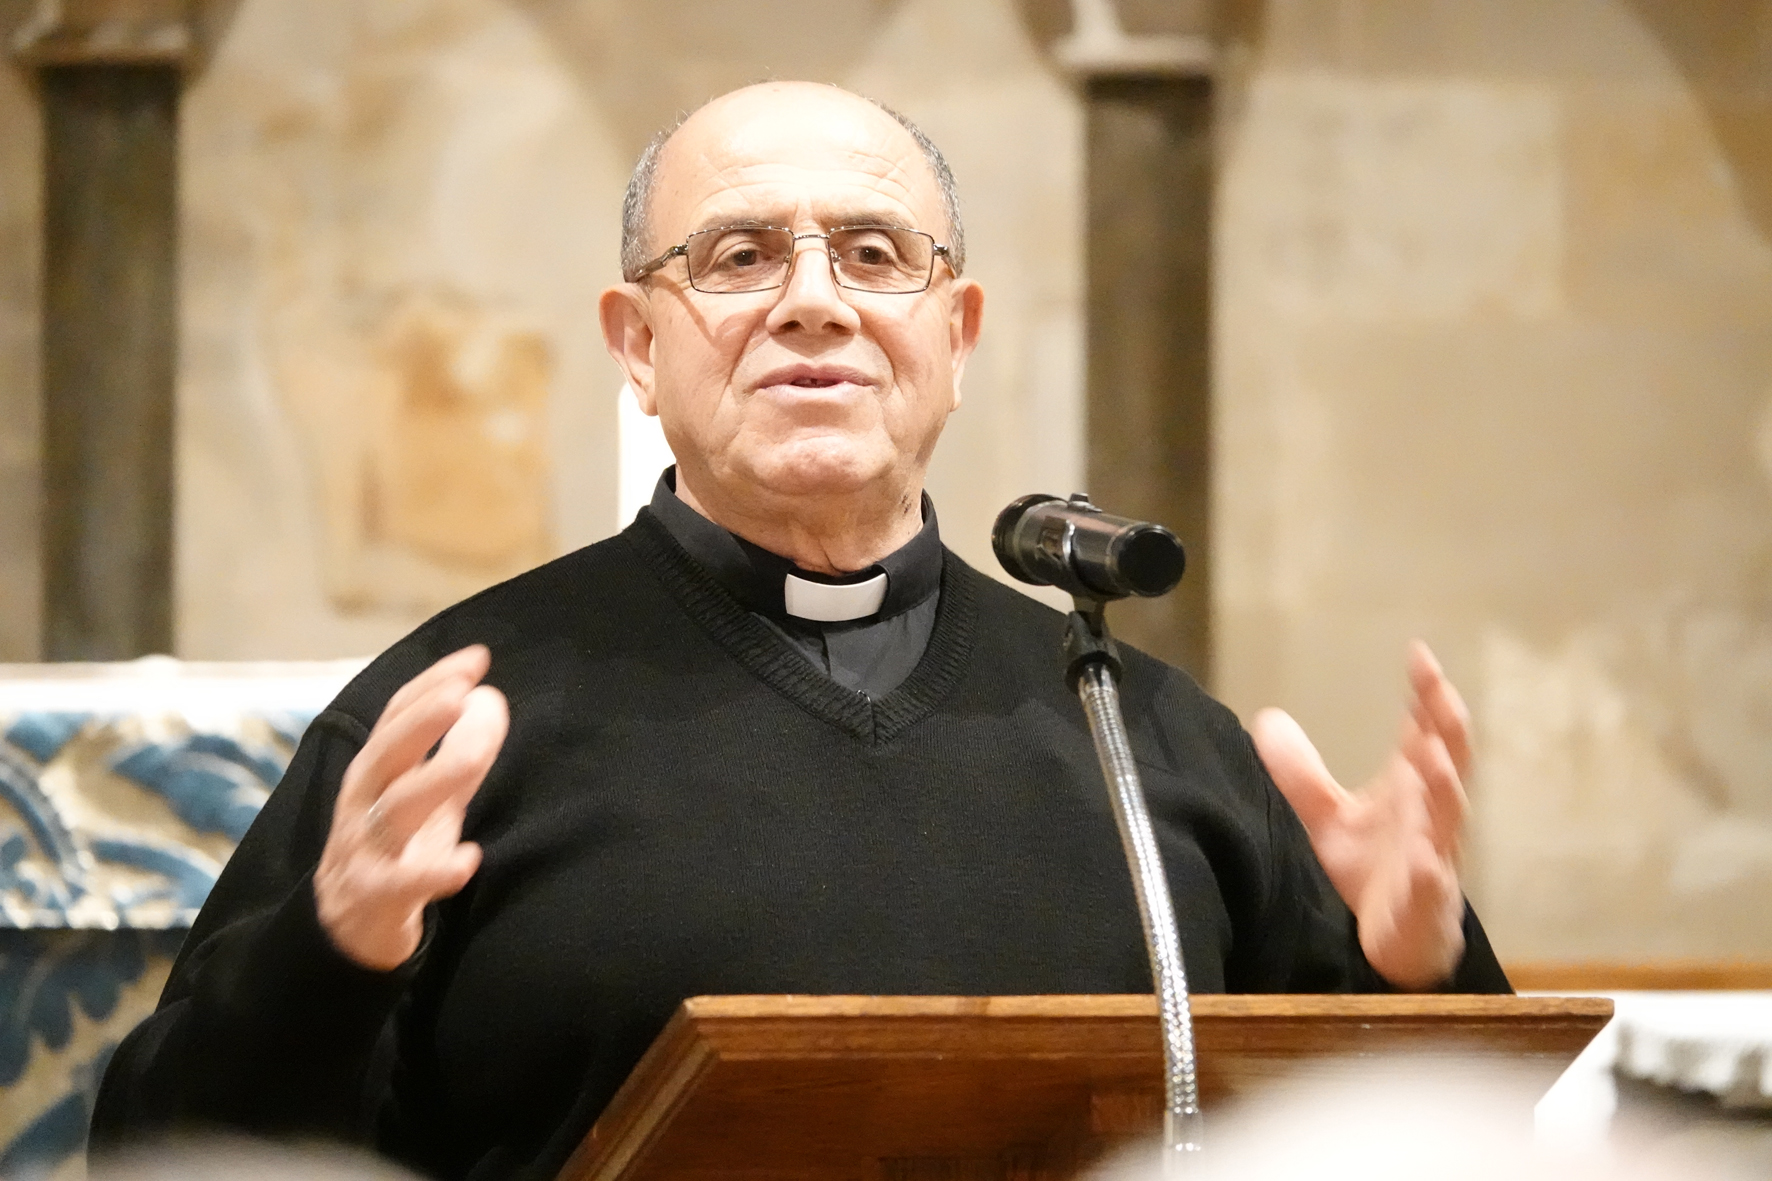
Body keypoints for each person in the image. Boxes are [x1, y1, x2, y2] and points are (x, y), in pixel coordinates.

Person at [91, 82, 1507, 1179]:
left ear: (954, 334)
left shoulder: (1143, 738)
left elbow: (1440, 1144)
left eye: (875, 253)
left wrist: (1416, 974)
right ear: (637, 343)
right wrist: (333, 951)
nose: (813, 300)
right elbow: (160, 1154)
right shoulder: (459, 721)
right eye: (740, 255)